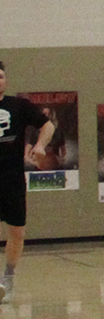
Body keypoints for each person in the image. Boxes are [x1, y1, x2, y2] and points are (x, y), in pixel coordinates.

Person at [0, 61, 54, 300]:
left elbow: (47, 125)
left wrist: (41, 145)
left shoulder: (18, 106)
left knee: (17, 231)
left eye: (0, 76)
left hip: (11, 178)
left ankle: (8, 279)